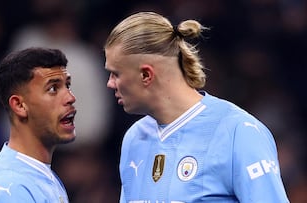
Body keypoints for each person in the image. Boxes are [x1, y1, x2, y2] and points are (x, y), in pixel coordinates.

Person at [104, 11, 289, 203]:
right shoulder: (134, 138)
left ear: (146, 75)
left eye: (115, 74)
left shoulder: (239, 132)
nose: (110, 83)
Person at [0, 47, 77, 202]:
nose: (70, 97)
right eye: (53, 88)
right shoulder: (13, 189)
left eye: (67, 86)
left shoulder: (39, 175)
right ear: (19, 105)